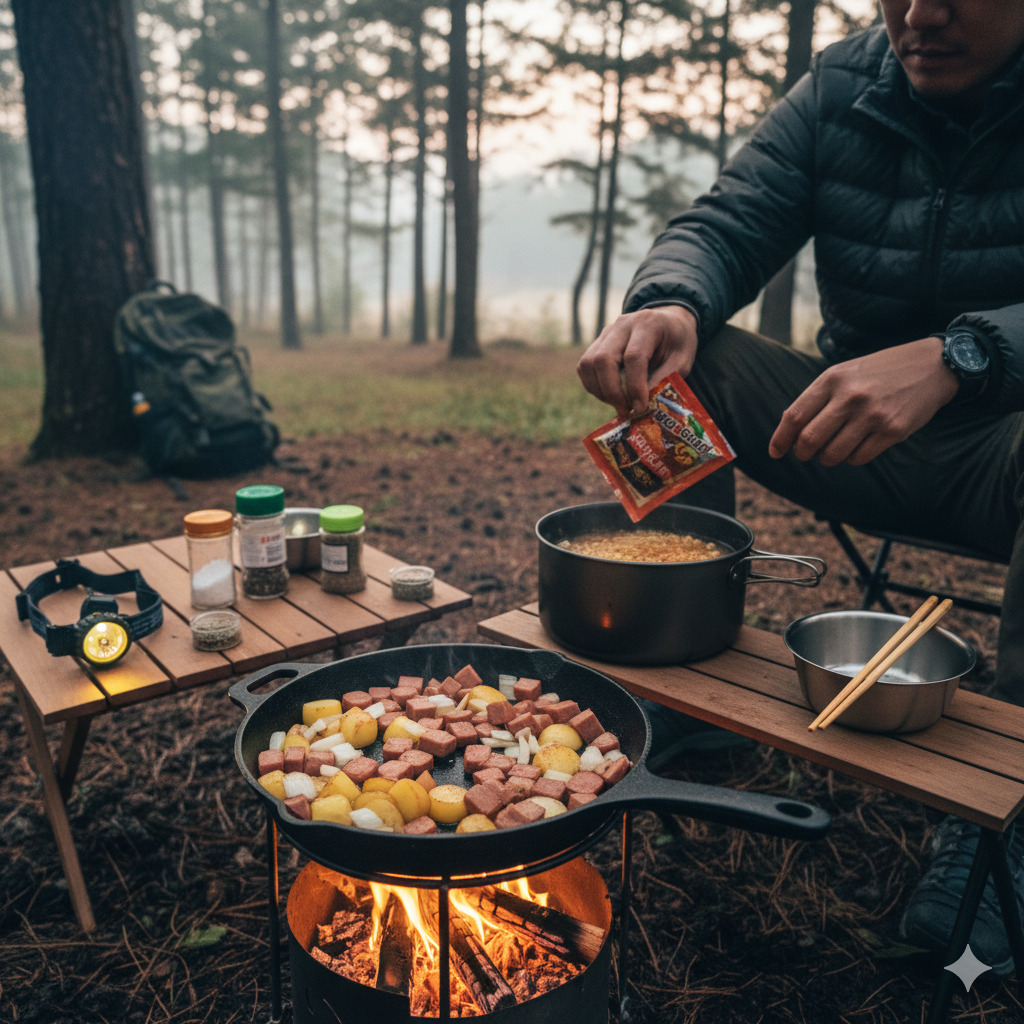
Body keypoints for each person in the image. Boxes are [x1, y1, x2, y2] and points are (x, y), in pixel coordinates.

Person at [576, 0, 1024, 978]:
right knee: (673, 367)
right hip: (843, 432)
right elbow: (730, 218)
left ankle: (1014, 822)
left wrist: (963, 354)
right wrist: (669, 301)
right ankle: (675, 680)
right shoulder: (841, 85)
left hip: (1001, 451)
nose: (922, 16)